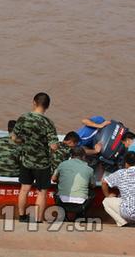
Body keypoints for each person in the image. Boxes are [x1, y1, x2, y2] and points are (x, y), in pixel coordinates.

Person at [11, 92, 58, 223]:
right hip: (42, 163)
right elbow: (54, 146)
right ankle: (38, 219)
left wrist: (24, 142)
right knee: (42, 192)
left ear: (34, 102)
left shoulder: (23, 118)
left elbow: (14, 138)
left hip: (26, 161)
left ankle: (22, 216)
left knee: (24, 189)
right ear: (47, 106)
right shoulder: (48, 123)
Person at [51, 147, 96, 221]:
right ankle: (81, 215)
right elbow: (93, 185)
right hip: (81, 204)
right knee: (92, 193)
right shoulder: (89, 169)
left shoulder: (62, 164)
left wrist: (61, 182)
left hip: (62, 202)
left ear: (71, 156)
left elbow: (53, 179)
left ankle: (62, 215)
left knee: (57, 190)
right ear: (84, 156)